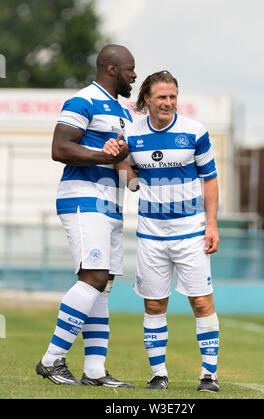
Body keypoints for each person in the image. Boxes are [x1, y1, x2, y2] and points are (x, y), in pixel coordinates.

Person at [104, 70, 220, 392]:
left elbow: (210, 180)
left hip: (190, 231)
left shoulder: (195, 132)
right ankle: (158, 374)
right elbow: (123, 162)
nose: (168, 103)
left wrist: (211, 224)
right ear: (147, 100)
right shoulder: (133, 133)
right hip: (150, 234)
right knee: (154, 305)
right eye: (162, 97)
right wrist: (130, 176)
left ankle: (209, 375)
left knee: (201, 302)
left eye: (172, 97)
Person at [36, 44, 137, 388]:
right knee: (92, 277)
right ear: (111, 69)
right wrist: (103, 155)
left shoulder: (124, 112)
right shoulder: (83, 100)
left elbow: (123, 160)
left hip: (111, 204)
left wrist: (143, 181)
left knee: (103, 286)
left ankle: (94, 371)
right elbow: (60, 148)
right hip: (83, 198)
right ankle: (51, 360)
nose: (134, 75)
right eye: (129, 69)